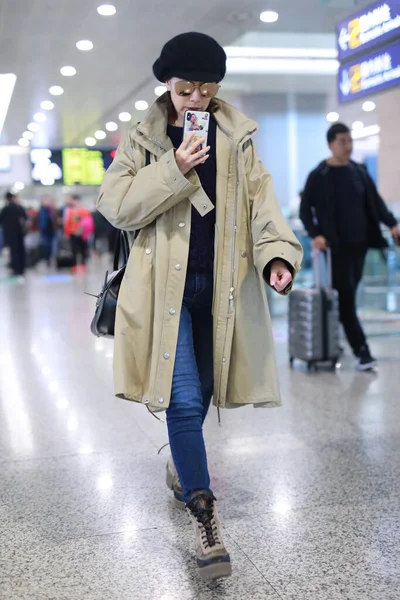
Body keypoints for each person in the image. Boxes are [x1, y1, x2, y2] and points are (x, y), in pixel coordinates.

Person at [97, 32, 302, 581]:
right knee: (184, 401)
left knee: (205, 391)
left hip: (221, 289)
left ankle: (180, 465)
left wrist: (277, 256)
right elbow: (115, 205)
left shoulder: (237, 137)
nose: (195, 100)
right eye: (186, 89)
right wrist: (175, 168)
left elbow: (263, 203)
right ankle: (206, 519)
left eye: (206, 90)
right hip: (165, 291)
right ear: (166, 84)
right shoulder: (144, 138)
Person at [300, 123, 400, 371]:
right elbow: (305, 211)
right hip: (334, 249)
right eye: (343, 141)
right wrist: (315, 234)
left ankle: (336, 340)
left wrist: (393, 224)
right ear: (331, 144)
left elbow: (375, 204)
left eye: (350, 141)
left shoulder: (359, 171)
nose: (348, 146)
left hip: (360, 246)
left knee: (348, 297)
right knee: (345, 299)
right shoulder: (319, 175)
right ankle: (362, 350)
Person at [0, 191, 27, 278]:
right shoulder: (19, 208)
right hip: (19, 234)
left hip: (10, 234)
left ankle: (15, 269)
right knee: (20, 250)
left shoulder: (5, 209)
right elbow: (25, 218)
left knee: (13, 252)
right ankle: (21, 268)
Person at [64, 194, 94, 271]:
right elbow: (67, 222)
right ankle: (74, 265)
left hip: (83, 233)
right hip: (73, 233)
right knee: (74, 250)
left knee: (83, 249)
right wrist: (67, 233)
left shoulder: (84, 210)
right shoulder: (69, 211)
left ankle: (83, 264)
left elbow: (89, 222)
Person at [38, 196, 56, 265]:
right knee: (45, 244)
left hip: (51, 229)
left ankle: (49, 257)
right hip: (44, 229)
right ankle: (45, 257)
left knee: (50, 244)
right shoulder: (42, 210)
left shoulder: (51, 209)